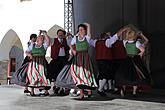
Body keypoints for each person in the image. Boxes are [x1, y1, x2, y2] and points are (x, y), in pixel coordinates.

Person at [56, 23, 97, 99]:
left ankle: (89, 91)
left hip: (85, 58)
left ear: (85, 31)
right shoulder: (75, 38)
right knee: (78, 75)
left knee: (86, 74)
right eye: (79, 29)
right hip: (77, 58)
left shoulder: (87, 38)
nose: (80, 31)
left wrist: (88, 25)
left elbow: (89, 30)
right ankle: (81, 94)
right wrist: (73, 50)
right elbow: (71, 44)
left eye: (82, 29)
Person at [115, 29, 151, 97]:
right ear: (134, 36)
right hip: (135, 60)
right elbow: (143, 50)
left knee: (124, 75)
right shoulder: (137, 43)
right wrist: (140, 54)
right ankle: (134, 92)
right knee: (136, 76)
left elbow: (121, 39)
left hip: (127, 59)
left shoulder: (125, 42)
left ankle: (123, 89)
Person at [26, 30, 51, 96]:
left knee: (43, 75)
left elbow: (48, 40)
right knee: (33, 76)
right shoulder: (32, 45)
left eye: (42, 39)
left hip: (42, 62)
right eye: (40, 38)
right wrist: (30, 55)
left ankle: (46, 91)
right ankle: (32, 91)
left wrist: (44, 33)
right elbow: (27, 51)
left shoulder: (44, 46)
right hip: (34, 63)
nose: (41, 39)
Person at [48, 29, 70, 95]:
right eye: (59, 33)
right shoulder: (53, 40)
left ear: (64, 35)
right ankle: (56, 86)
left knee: (63, 73)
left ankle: (62, 88)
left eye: (61, 33)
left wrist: (70, 36)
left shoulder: (66, 41)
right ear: (57, 34)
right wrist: (45, 33)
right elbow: (48, 39)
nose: (60, 34)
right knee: (55, 73)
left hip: (64, 59)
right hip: (56, 59)